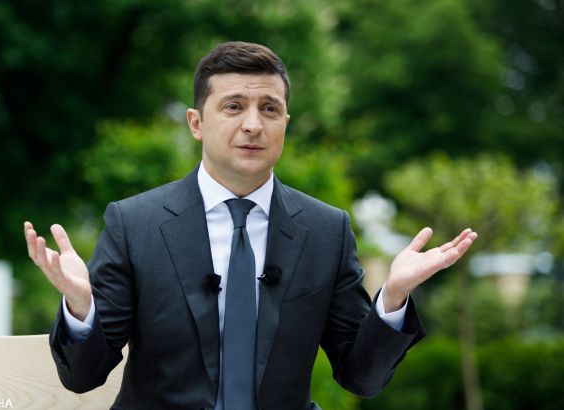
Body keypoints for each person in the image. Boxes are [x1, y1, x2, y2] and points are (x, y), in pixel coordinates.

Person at [23, 41, 477, 410]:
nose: (253, 125)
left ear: (286, 123)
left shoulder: (326, 230)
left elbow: (361, 378)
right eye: (234, 106)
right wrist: (81, 308)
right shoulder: (135, 224)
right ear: (196, 123)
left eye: (270, 109)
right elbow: (83, 377)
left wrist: (393, 297)